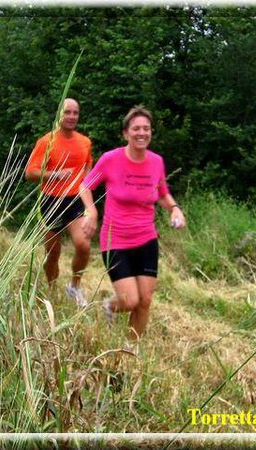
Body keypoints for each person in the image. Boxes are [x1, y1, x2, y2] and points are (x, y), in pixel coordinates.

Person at [78, 106, 186, 348]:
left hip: (146, 238)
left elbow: (162, 193)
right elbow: (85, 186)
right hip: (115, 239)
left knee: (145, 300)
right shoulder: (110, 159)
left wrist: (174, 208)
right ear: (126, 133)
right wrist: (91, 211)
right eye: (136, 128)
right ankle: (109, 305)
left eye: (146, 128)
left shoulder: (156, 162)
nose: (142, 133)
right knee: (129, 301)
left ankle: (130, 349)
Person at [25, 98, 93, 307]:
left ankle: (75, 287)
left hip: (74, 200)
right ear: (59, 115)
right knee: (52, 253)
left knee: (83, 245)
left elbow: (87, 166)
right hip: (51, 201)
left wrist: (86, 186)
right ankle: (51, 288)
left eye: (75, 113)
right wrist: (55, 175)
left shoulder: (84, 142)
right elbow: (30, 173)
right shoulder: (47, 141)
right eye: (67, 112)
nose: (71, 116)